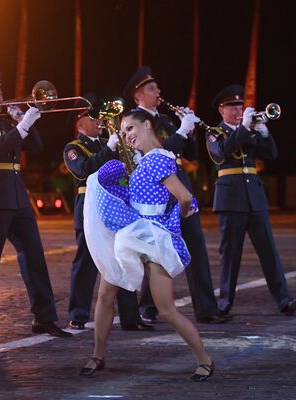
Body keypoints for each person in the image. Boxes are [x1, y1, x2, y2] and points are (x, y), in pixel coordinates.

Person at [79, 109, 214, 381]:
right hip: (132, 233)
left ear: (148, 125)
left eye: (131, 128)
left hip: (152, 237)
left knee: (166, 310)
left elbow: (184, 195)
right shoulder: (142, 161)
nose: (127, 135)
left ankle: (205, 360)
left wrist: (178, 214)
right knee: (106, 294)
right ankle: (97, 354)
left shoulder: (158, 160)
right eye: (124, 130)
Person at [0, 67, 71, 337]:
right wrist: (20, 127)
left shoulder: (6, 122)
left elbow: (36, 146)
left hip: (17, 196)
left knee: (34, 255)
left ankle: (44, 318)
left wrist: (25, 121)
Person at [123, 66, 229, 324]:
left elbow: (188, 154)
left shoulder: (166, 120)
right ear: (138, 95)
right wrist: (181, 132)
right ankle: (147, 307)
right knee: (152, 245)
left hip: (177, 182)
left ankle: (206, 308)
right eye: (151, 88)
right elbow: (155, 154)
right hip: (154, 188)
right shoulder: (134, 123)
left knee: (195, 242)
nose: (158, 91)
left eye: (157, 87)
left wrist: (190, 131)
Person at [206, 84, 296, 316]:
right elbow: (223, 152)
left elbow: (271, 155)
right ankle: (225, 302)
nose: (238, 111)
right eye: (233, 107)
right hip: (230, 198)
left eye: (240, 106)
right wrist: (246, 129)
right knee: (230, 254)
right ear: (222, 109)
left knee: (269, 250)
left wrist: (265, 133)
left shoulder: (249, 131)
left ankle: (283, 299)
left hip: (255, 197)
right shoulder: (214, 132)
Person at [63, 93, 154, 331]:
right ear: (79, 120)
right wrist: (110, 149)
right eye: (93, 117)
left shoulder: (108, 144)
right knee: (86, 260)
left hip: (114, 205)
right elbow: (84, 170)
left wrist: (133, 157)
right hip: (90, 206)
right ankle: (78, 314)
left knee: (122, 257)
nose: (99, 121)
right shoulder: (73, 148)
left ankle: (130, 317)